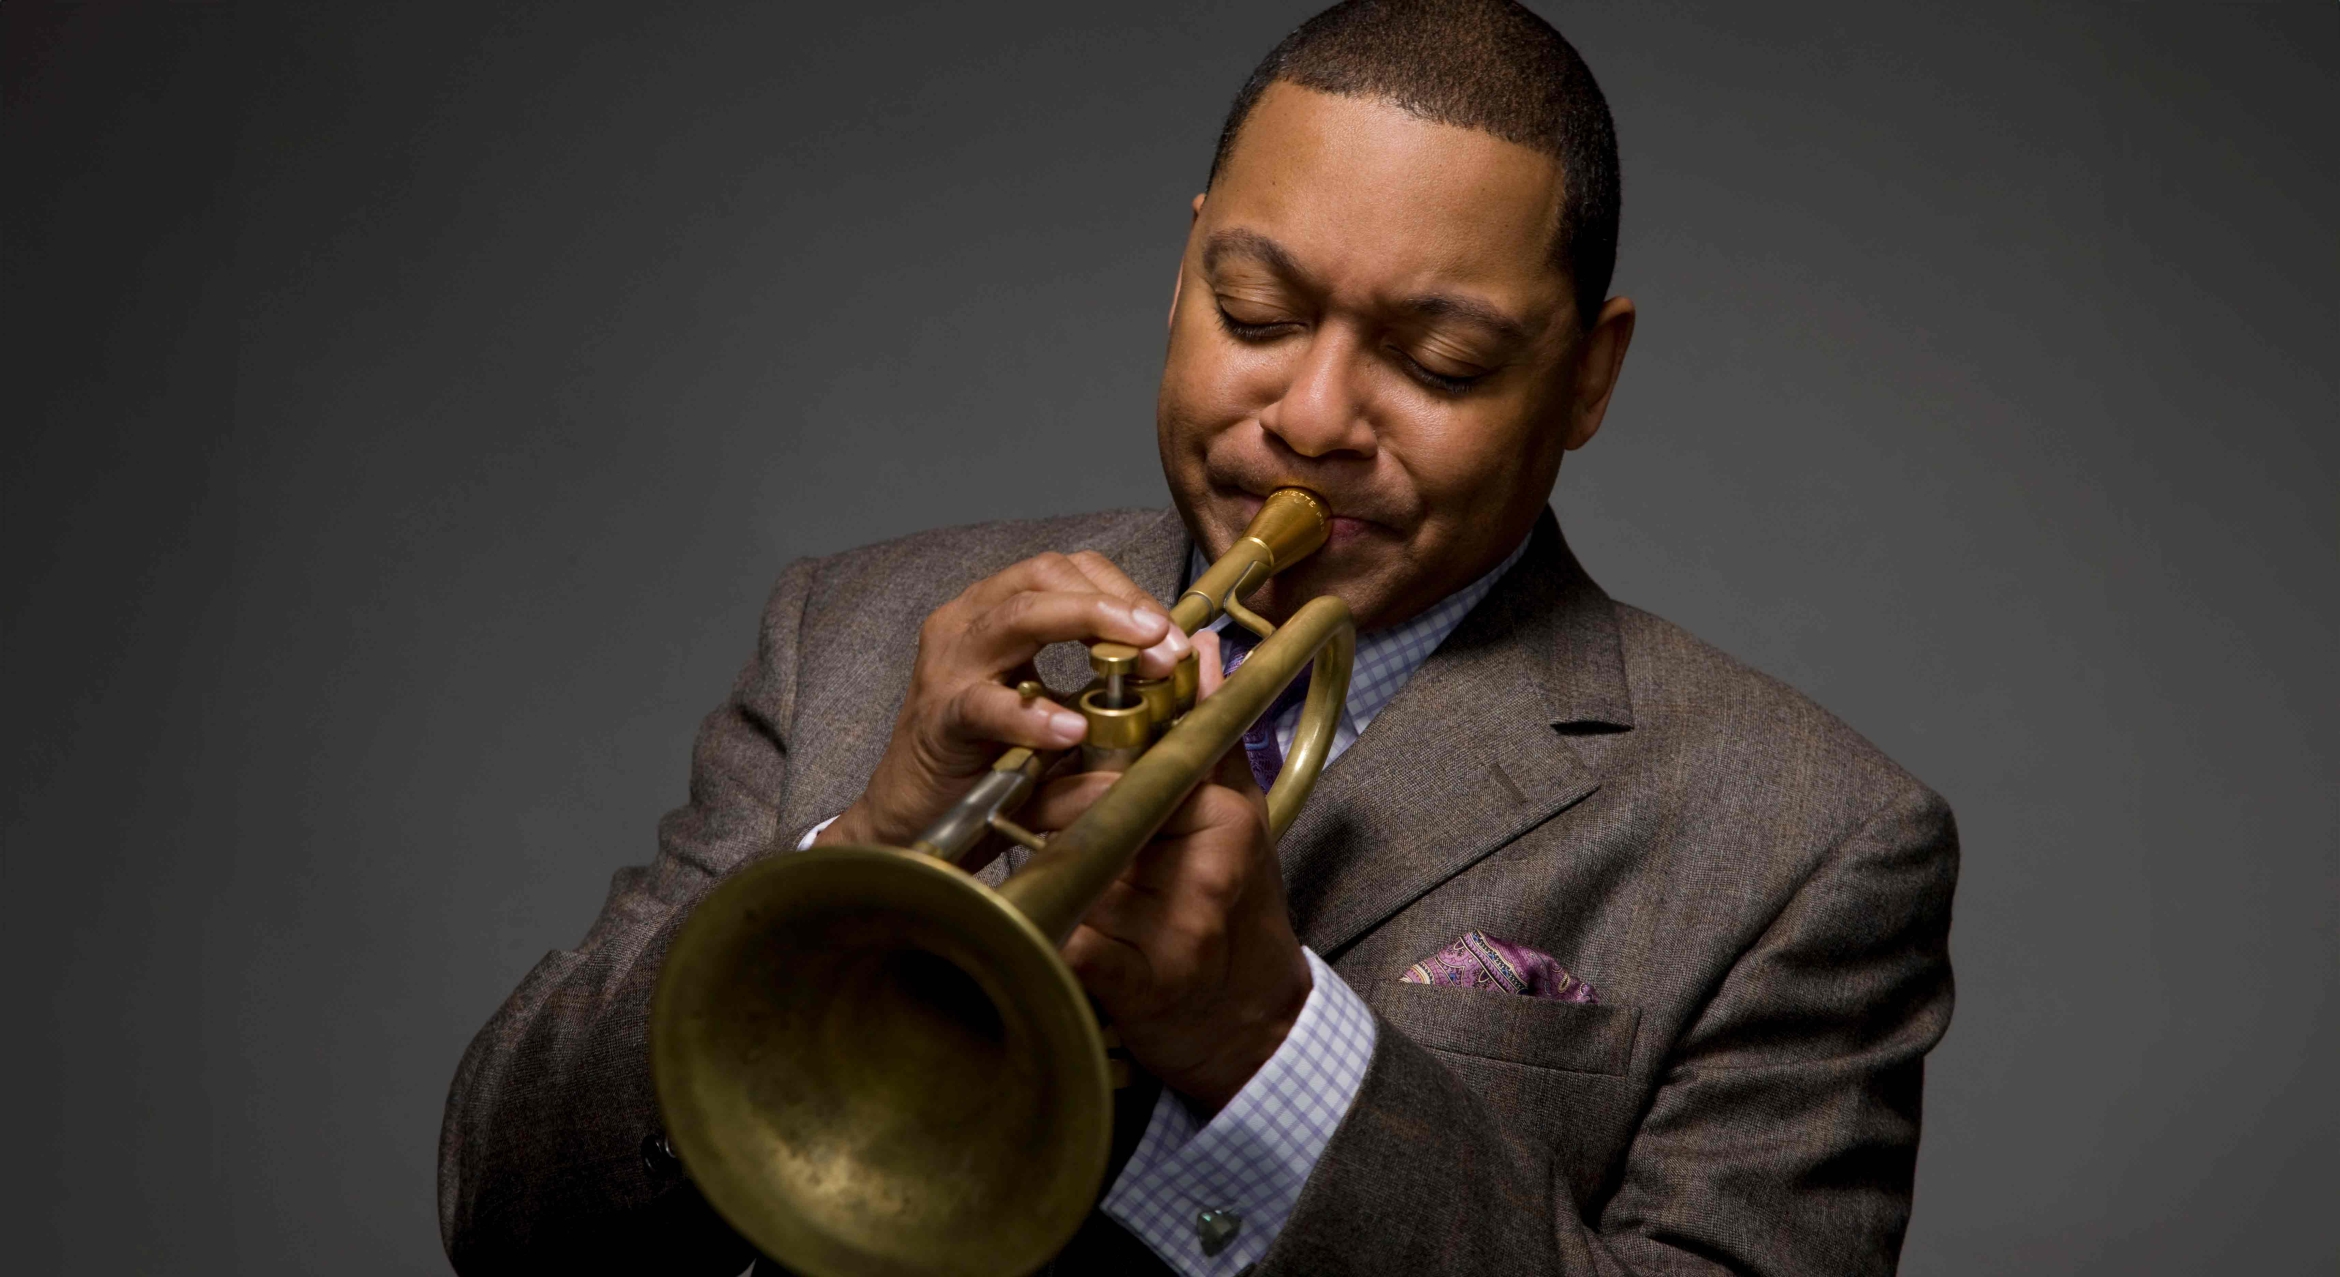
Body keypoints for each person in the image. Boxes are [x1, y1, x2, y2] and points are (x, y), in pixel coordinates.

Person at [438, 2, 1958, 1273]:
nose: (1308, 420)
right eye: (1253, 309)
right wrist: (863, 852)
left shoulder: (1807, 841)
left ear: (1587, 378)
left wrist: (1261, 1049)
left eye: (1437, 358)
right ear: (1184, 271)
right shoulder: (849, 633)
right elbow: (507, 1208)